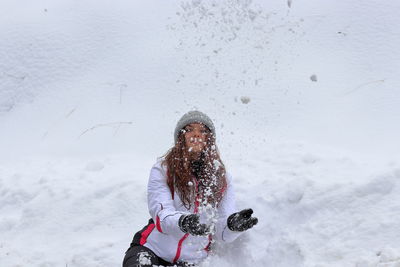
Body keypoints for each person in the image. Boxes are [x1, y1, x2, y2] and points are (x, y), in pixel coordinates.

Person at [123, 111, 258, 267]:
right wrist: (184, 222)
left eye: (203, 131)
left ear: (210, 139)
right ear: (181, 137)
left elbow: (221, 233)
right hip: (152, 250)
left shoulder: (222, 178)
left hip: (190, 261)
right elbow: (161, 216)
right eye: (189, 130)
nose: (196, 135)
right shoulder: (163, 169)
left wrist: (232, 227)